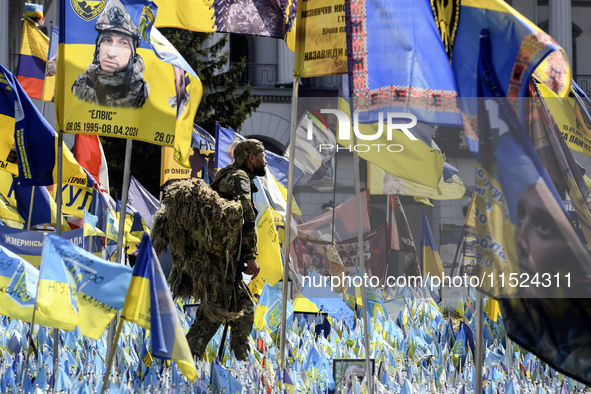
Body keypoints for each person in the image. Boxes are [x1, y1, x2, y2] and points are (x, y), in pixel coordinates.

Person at [185, 139, 266, 361]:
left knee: (233, 308)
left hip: (219, 258)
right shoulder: (239, 178)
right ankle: (187, 360)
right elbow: (247, 217)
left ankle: (237, 358)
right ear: (251, 157)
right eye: (262, 155)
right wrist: (251, 256)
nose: (265, 160)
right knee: (218, 312)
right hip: (221, 260)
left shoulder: (227, 174)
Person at [72, 0, 148, 107]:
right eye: (107, 40)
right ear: (99, 46)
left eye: (123, 43)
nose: (111, 53)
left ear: (133, 53)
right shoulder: (81, 84)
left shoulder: (144, 94)